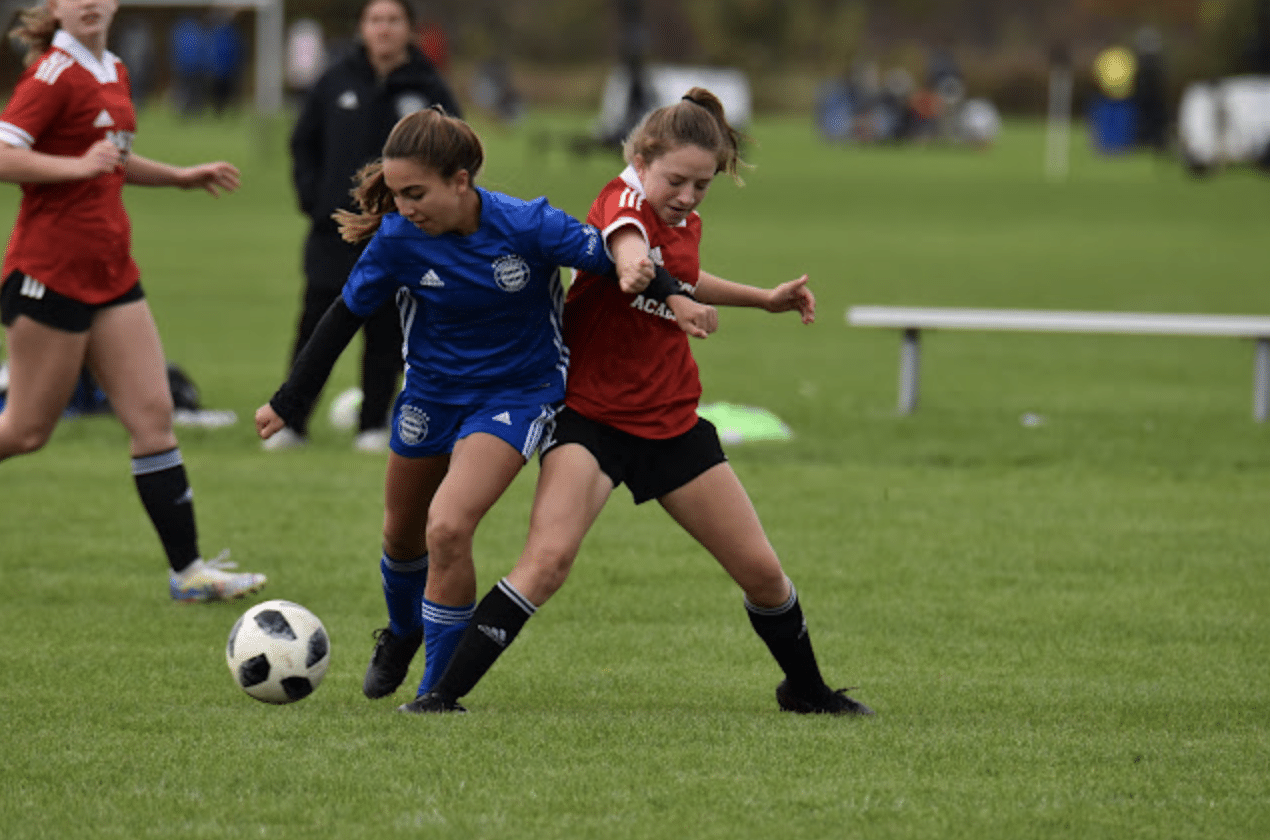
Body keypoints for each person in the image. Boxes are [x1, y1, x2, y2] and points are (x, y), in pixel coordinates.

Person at [403, 88, 874, 717]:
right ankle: (439, 698)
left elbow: (680, 267)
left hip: (672, 422)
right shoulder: (620, 199)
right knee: (545, 564)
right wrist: (668, 293)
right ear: (643, 158)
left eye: (702, 186)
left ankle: (807, 692)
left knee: (763, 574)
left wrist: (763, 299)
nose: (687, 197)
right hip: (592, 421)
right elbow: (629, 253)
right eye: (677, 181)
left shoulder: (681, 218)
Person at [254, 106, 677, 702]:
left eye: (416, 193)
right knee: (401, 537)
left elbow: (620, 259)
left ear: (461, 181)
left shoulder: (528, 225)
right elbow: (344, 314)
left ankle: (435, 693)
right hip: (430, 395)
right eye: (397, 194)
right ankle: (403, 633)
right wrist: (290, 401)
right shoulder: (399, 240)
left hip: (517, 397)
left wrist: (679, 294)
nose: (403, 208)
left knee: (448, 527)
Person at [0, 0, 266, 603]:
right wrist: (75, 167)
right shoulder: (50, 74)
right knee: (24, 432)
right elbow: (5, 153)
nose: (90, 4)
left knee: (153, 417)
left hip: (112, 272)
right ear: (56, 9)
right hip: (50, 272)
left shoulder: (112, 68)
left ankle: (189, 572)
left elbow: (109, 159)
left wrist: (178, 176)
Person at [273, 0, 463, 453]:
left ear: (410, 30)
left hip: (401, 237)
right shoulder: (334, 80)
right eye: (375, 20)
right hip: (334, 232)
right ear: (362, 27)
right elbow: (303, 144)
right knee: (316, 324)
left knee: (386, 328)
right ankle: (291, 421)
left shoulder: (428, 87)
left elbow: (456, 154)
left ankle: (373, 425)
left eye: (393, 20)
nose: (384, 29)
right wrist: (314, 200)